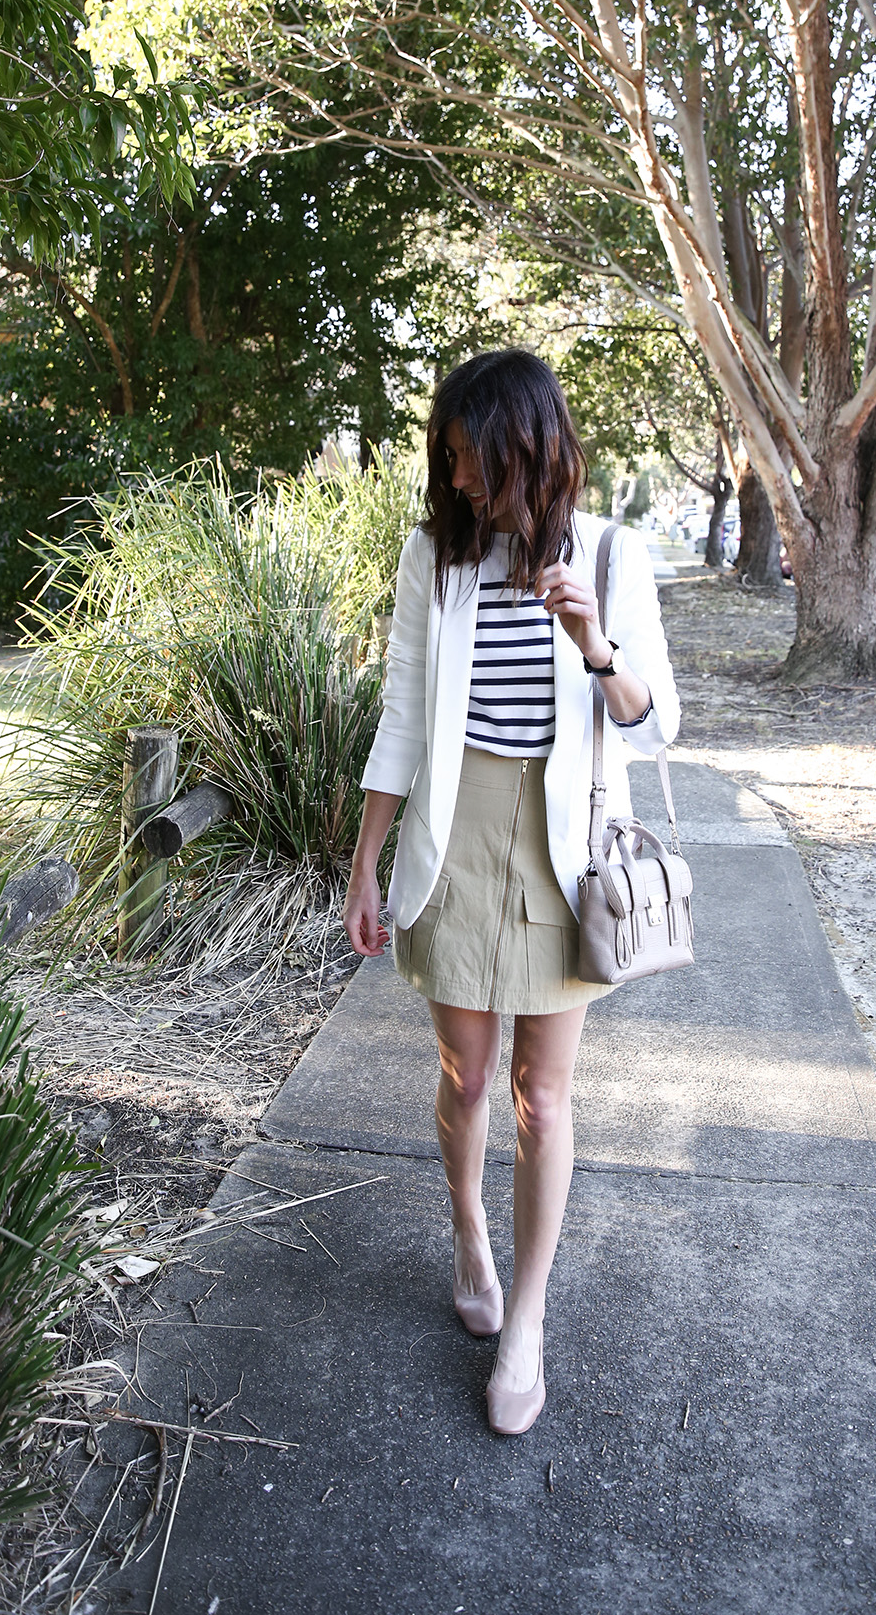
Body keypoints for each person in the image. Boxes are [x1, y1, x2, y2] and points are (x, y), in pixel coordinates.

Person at [341, 349, 680, 1435]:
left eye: (474, 460)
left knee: (544, 1093)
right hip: (453, 837)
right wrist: (363, 862)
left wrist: (592, 641)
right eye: (447, 462)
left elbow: (652, 720)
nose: (460, 482)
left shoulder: (614, 554)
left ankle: (526, 1319)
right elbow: (401, 717)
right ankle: (468, 1233)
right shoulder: (430, 558)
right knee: (468, 1071)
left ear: (526, 448)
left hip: (559, 844)